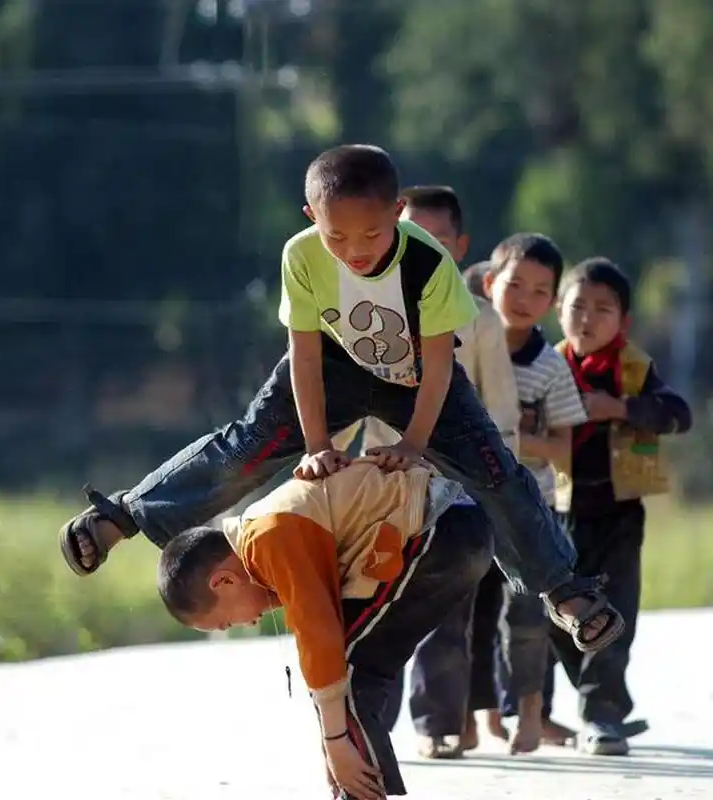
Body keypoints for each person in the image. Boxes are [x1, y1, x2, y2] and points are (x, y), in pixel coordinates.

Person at [58, 144, 625, 655]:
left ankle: (564, 590)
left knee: (494, 470)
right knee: (248, 446)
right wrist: (315, 445)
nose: (355, 250)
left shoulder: (428, 261)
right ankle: (123, 516)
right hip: (332, 368)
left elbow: (437, 366)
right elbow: (303, 357)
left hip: (416, 376)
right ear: (312, 217)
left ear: (397, 212)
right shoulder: (301, 256)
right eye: (337, 237)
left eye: (372, 235)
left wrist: (414, 444)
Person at [156, 459, 495, 799]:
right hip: (457, 528)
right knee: (344, 670)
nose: (247, 624)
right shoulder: (265, 535)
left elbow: (319, 636)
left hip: (439, 529)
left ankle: (359, 792)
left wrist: (335, 742)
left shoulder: (267, 536)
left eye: (227, 622)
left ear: (224, 582)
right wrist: (332, 744)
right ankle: (355, 788)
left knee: (347, 672)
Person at [330, 185, 522, 761]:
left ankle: (439, 723)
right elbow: (344, 403)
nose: (424, 248)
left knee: (445, 606)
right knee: (375, 600)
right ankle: (372, 725)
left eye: (438, 240)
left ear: (460, 248)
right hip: (383, 487)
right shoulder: (369, 315)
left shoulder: (480, 322)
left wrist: (500, 485)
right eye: (412, 236)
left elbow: (502, 410)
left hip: (455, 489)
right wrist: (326, 459)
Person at [549, 257, 693, 756]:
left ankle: (602, 714)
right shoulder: (545, 365)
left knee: (613, 612)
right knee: (556, 615)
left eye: (603, 309)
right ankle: (597, 700)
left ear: (623, 321)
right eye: (577, 307)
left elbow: (678, 415)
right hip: (555, 510)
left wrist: (620, 409)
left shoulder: (634, 368)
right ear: (558, 311)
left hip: (618, 512)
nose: (587, 318)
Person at [481, 233, 588, 754]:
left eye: (540, 291)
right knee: (469, 617)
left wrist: (505, 440)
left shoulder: (550, 366)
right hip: (464, 501)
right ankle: (481, 718)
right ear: (489, 284)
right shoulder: (462, 349)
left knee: (526, 614)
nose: (524, 299)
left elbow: (563, 450)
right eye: (515, 284)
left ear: (552, 301)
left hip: (528, 505)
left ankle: (530, 715)